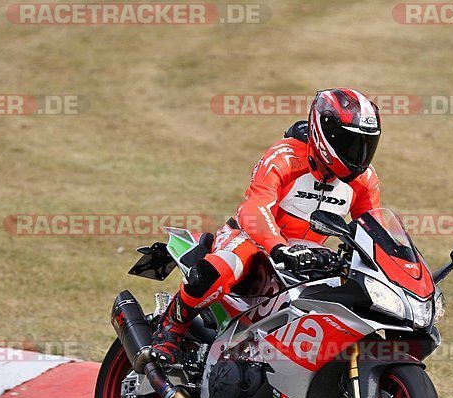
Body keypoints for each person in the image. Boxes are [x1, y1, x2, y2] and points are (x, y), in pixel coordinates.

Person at [151, 88, 382, 364]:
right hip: (252, 240)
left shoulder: (364, 181)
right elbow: (254, 209)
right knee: (226, 266)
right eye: (350, 142)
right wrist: (279, 248)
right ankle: (172, 328)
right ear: (325, 134)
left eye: (366, 145)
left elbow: (373, 229)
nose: (359, 155)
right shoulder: (284, 156)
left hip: (306, 257)